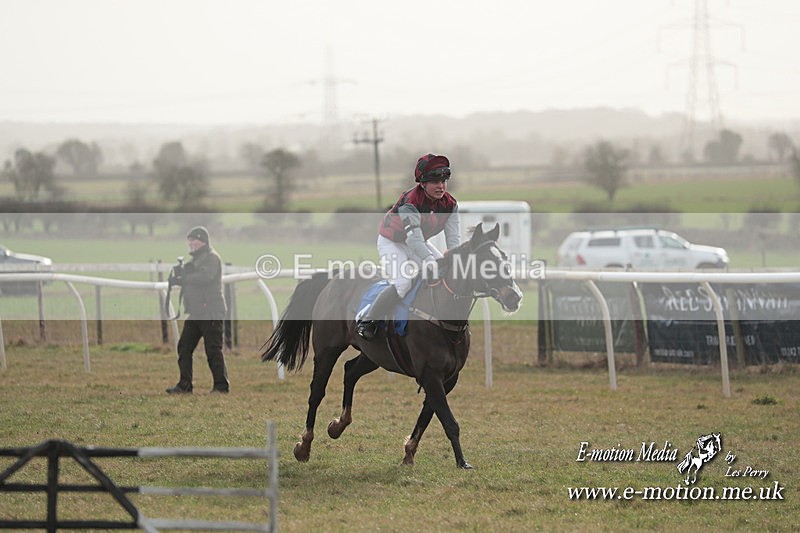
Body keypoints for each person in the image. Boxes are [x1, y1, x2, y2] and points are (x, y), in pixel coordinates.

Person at [356, 153, 461, 340]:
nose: (441, 186)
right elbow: (414, 239)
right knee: (403, 282)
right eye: (435, 182)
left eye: (444, 181)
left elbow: (453, 238)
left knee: (446, 273)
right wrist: (429, 261)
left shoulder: (450, 204)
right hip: (393, 242)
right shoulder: (410, 202)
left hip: (418, 242)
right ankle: (368, 321)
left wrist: (453, 258)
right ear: (423, 183)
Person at [165, 226, 230, 394]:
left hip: (211, 311)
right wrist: (178, 278)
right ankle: (184, 385)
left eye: (193, 240)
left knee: (213, 350)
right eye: (189, 240)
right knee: (184, 347)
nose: (190, 244)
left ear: (202, 241)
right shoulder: (196, 260)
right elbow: (192, 277)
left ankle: (221, 387)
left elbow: (205, 277)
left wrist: (185, 278)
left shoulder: (212, 258)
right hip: (196, 312)